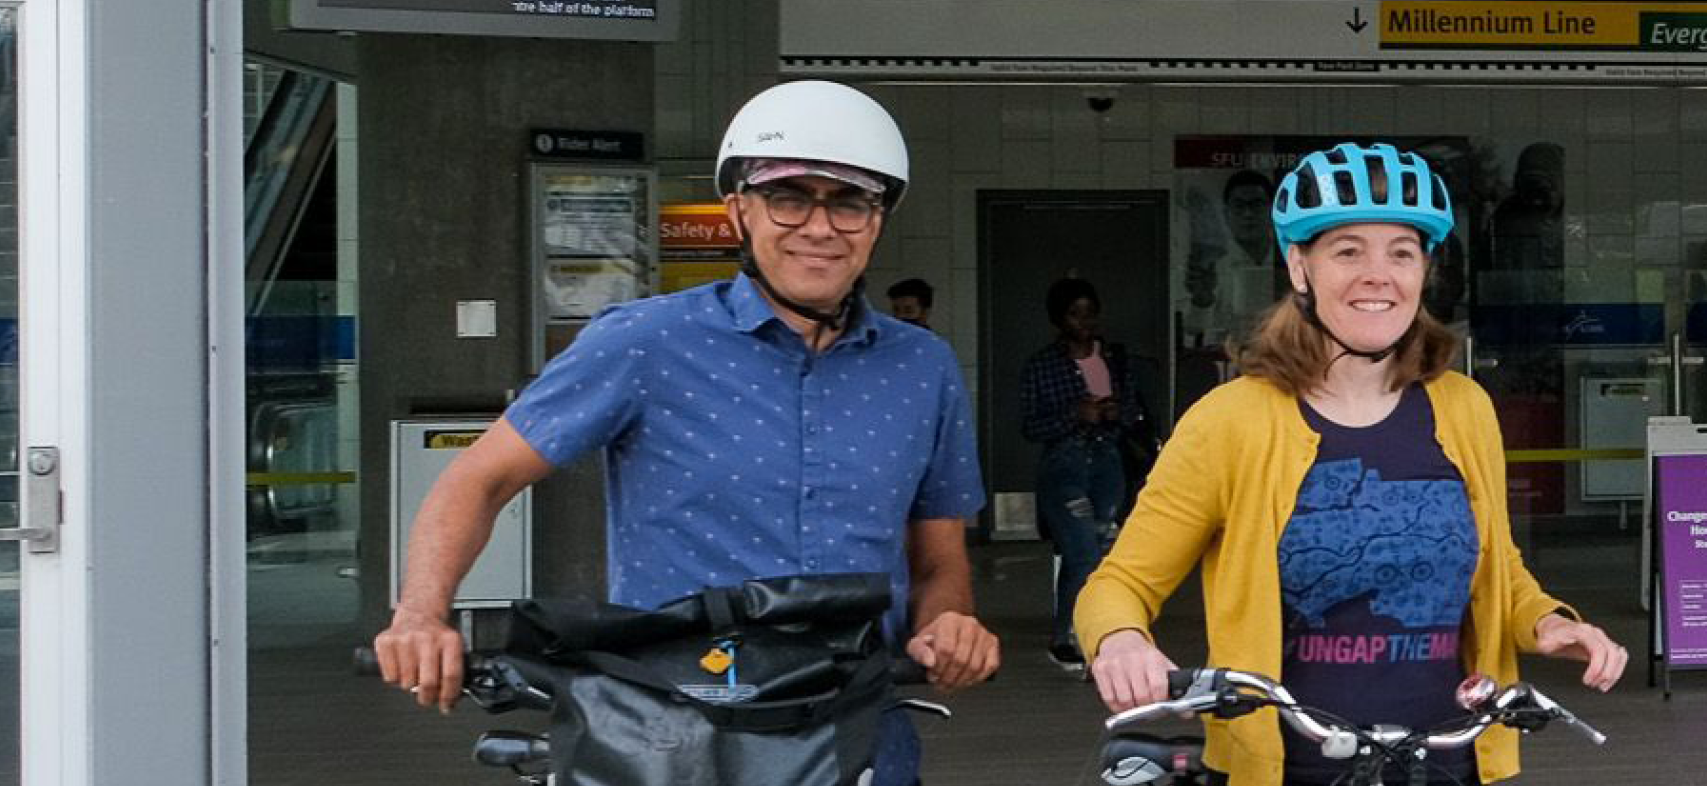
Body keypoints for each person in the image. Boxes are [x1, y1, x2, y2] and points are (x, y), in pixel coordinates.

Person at [371, 80, 998, 786]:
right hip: (676, 733)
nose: (821, 227)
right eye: (790, 196)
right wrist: (420, 613)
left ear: (877, 220)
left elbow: (939, 560)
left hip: (856, 732)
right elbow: (476, 478)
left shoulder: (922, 366)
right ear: (739, 210)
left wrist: (950, 622)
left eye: (850, 201)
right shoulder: (644, 341)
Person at [1076, 142, 1628, 786]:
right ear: (1299, 266)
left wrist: (1550, 624)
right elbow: (1117, 585)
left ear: (1425, 270)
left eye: (1401, 251)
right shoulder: (1231, 421)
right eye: (1347, 251)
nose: (1378, 274)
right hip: (1293, 768)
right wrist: (1121, 640)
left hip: (1449, 762)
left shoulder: (1464, 408)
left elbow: (1497, 574)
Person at [1018, 276, 1151, 675]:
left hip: (1108, 461)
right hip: (1065, 463)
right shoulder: (1043, 365)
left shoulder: (1115, 359)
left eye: (1090, 314)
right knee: (1081, 550)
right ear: (1059, 319)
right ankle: (1067, 637)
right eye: (1075, 315)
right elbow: (1029, 426)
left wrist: (1114, 413)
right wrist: (1075, 414)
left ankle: (1095, 631)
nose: (1085, 323)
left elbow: (1134, 413)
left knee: (1102, 549)